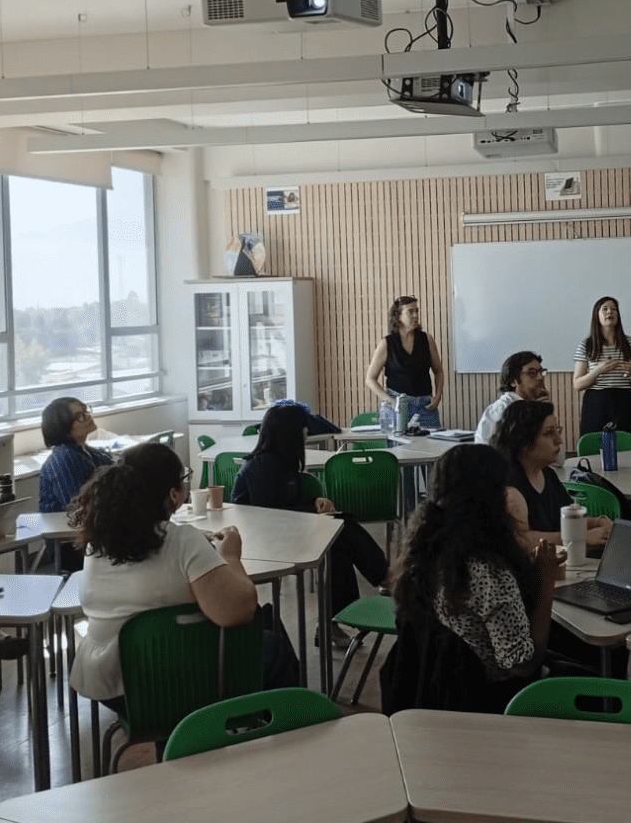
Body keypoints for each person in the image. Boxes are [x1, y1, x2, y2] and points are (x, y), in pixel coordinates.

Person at [67, 442, 256, 711]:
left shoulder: (98, 540)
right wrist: (231, 557)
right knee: (269, 644)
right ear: (173, 495)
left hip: (110, 683)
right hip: (174, 678)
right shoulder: (182, 540)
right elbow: (236, 611)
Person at [382, 443, 561, 713]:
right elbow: (522, 665)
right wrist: (546, 584)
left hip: (437, 700)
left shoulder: (422, 554)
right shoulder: (488, 571)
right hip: (495, 702)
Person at [231, 403, 389, 645]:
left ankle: (331, 623)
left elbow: (284, 502)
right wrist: (311, 512)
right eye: (303, 429)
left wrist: (316, 501)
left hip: (280, 531)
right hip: (260, 543)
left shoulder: (284, 461)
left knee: (338, 539)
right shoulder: (263, 465)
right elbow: (268, 514)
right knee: (341, 528)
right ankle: (385, 581)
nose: (307, 433)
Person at [491, 399, 611, 550]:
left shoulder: (548, 475)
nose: (559, 440)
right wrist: (578, 537)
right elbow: (522, 540)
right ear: (524, 442)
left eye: (557, 431)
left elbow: (566, 520)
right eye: (549, 433)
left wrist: (596, 522)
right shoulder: (509, 485)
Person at [365, 295, 445, 429]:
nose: (415, 315)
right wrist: (389, 400)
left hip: (425, 406)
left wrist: (438, 396)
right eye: (410, 311)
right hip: (396, 406)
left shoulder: (427, 339)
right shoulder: (386, 344)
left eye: (417, 311)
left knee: (431, 447)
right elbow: (370, 379)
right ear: (398, 316)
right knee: (397, 448)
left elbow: (438, 371)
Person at [571, 296, 631, 439]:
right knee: (594, 445)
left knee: (626, 443)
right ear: (596, 315)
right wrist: (598, 370)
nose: (609, 312)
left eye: (614, 309)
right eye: (604, 309)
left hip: (624, 401)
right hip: (596, 402)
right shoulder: (586, 345)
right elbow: (577, 384)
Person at [37, 397, 113, 514]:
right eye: (79, 416)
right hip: (65, 527)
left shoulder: (87, 451)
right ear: (63, 426)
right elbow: (77, 508)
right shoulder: (63, 457)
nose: (87, 416)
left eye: (85, 411)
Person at [474, 350, 549, 445]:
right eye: (532, 373)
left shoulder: (535, 404)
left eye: (541, 372)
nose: (540, 377)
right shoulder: (502, 409)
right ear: (513, 381)